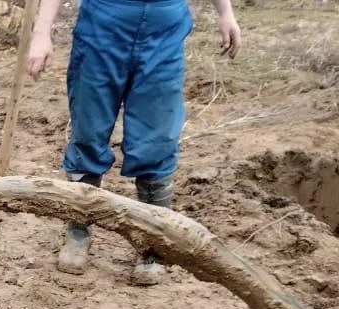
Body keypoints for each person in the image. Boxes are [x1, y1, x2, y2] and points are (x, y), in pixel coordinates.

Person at [26, 0, 242, 283]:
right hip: (102, 26)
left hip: (164, 32)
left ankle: (155, 244)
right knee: (88, 132)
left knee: (156, 140)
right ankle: (78, 230)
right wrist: (41, 32)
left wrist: (226, 13)